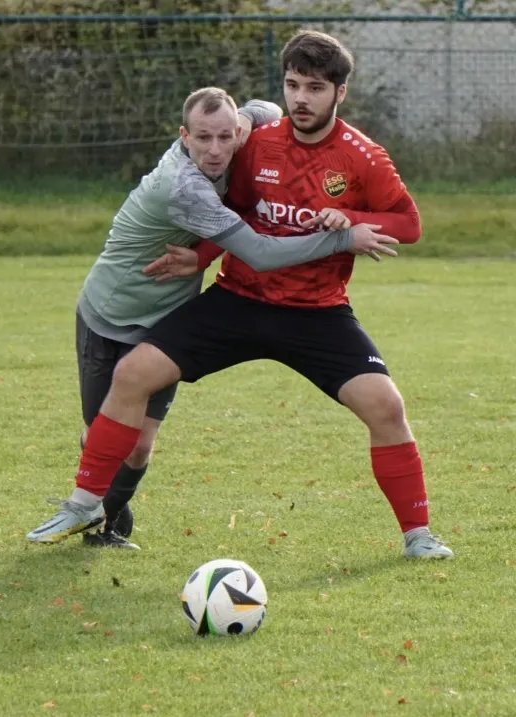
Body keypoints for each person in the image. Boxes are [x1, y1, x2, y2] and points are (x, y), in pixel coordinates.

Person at [28, 84, 399, 548]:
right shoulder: (184, 188)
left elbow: (268, 110)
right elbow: (259, 253)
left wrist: (249, 122)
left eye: (226, 137)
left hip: (166, 316)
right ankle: (95, 505)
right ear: (184, 137)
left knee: (140, 444)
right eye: (203, 138)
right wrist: (343, 238)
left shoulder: (237, 133)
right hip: (109, 314)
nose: (217, 150)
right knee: (104, 432)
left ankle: (105, 522)